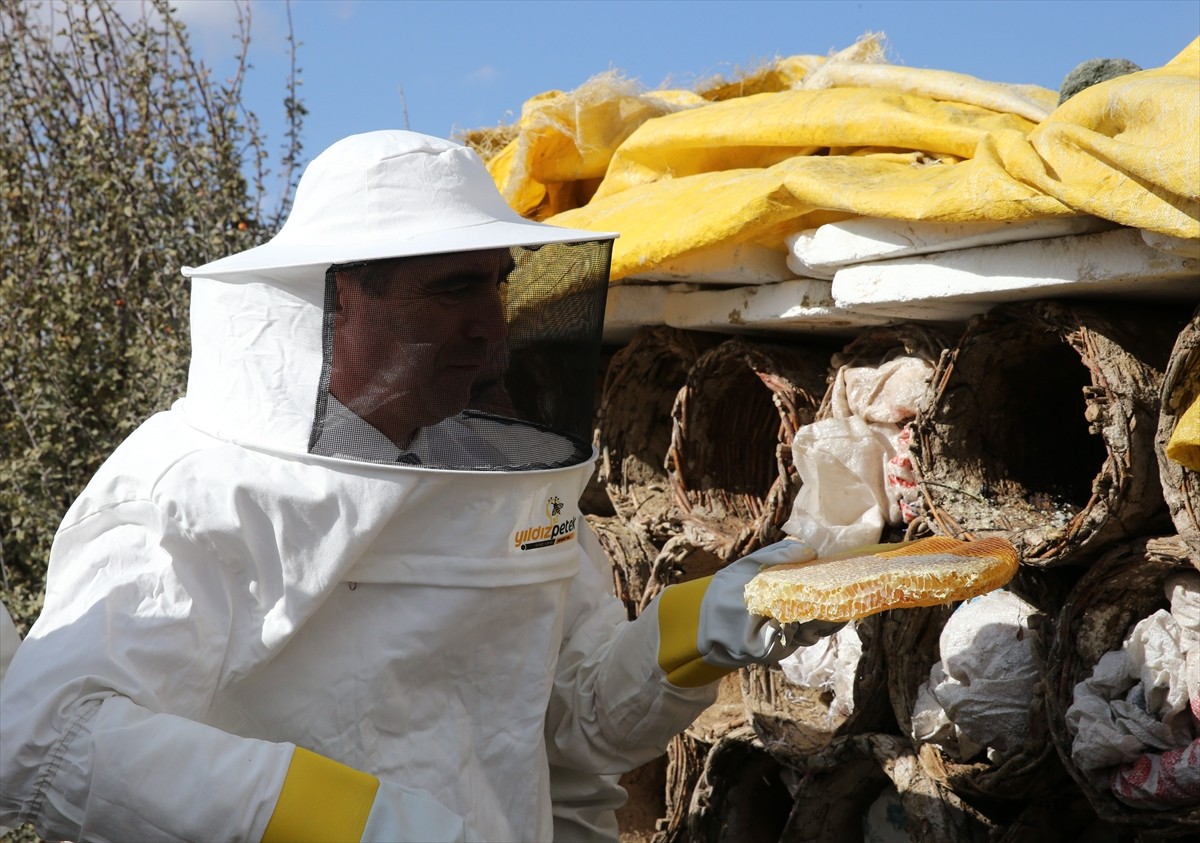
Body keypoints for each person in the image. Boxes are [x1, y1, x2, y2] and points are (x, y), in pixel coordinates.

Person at [0, 130, 839, 842]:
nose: (490, 322)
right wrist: (343, 820)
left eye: (496, 283)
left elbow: (579, 723)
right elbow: (46, 734)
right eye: (452, 289)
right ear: (336, 301)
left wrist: (701, 626)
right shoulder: (192, 487)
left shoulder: (498, 476)